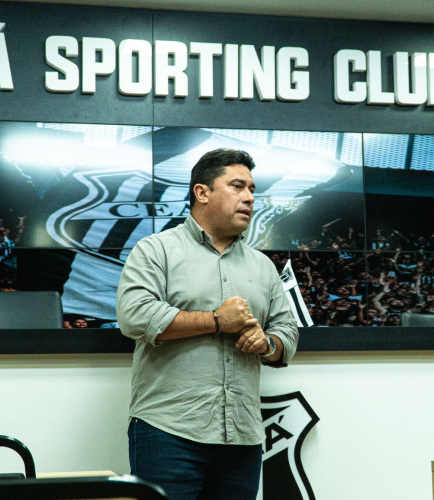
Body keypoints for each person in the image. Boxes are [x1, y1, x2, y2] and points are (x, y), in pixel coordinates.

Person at [116, 148, 299, 500]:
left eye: (251, 188)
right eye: (237, 186)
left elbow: (287, 333)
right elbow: (135, 315)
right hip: (168, 432)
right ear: (202, 193)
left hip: (243, 437)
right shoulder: (156, 250)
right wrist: (217, 320)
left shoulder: (263, 266)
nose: (249, 197)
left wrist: (268, 344)